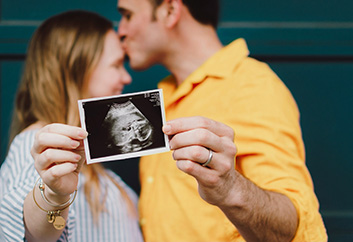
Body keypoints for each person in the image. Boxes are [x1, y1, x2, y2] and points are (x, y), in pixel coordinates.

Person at [117, 0, 327, 241]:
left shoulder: (252, 86)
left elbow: (291, 226)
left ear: (170, 10)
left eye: (128, 15)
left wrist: (229, 189)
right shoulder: (161, 100)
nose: (120, 30)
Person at [0, 10, 143, 242]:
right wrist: (54, 194)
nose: (126, 77)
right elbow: (33, 232)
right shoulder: (38, 147)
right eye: (116, 65)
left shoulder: (87, 159)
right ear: (76, 70)